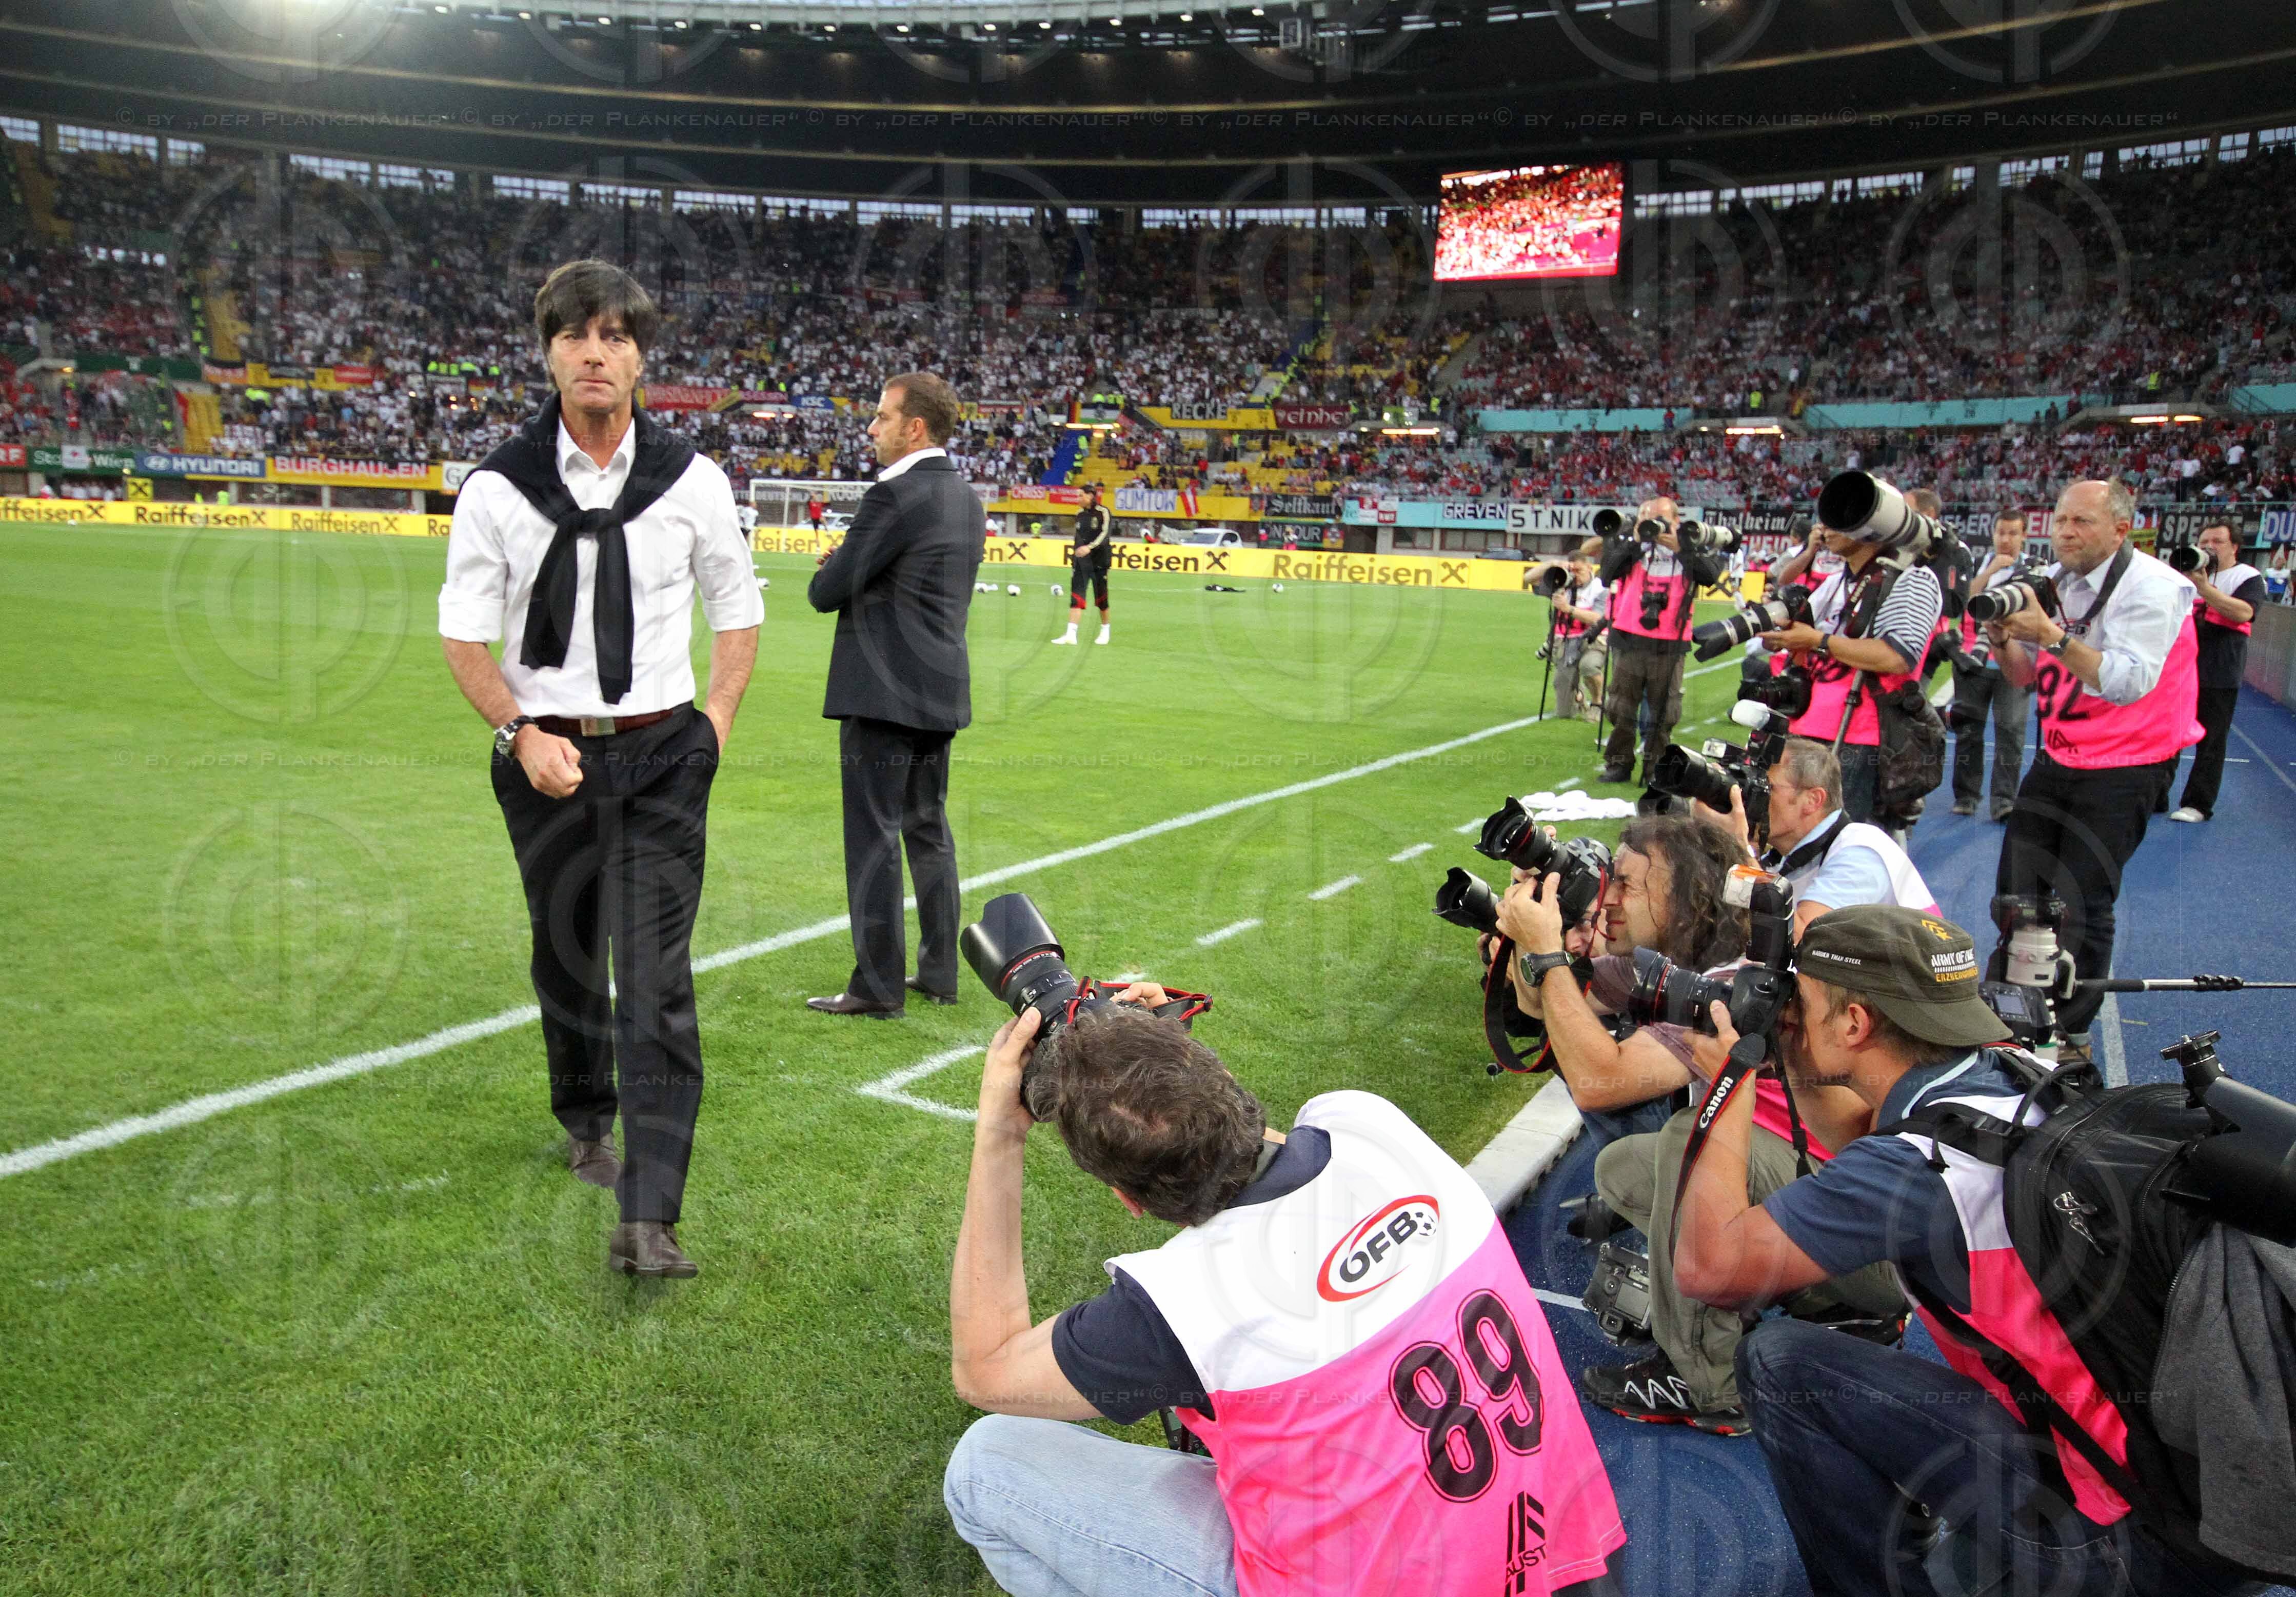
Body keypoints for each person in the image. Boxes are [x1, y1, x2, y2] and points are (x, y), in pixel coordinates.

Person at [940, 991, 1628, 1597]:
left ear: (1128, 1199)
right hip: (1561, 1561)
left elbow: (985, 1366)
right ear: (1226, 1081)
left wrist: (1000, 1130)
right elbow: (1254, 1143)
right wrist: (1157, 1053)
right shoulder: (1370, 1125)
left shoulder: (1183, 1300)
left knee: (983, 1464)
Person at [1677, 904, 2264, 1597]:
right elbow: (1864, 1137)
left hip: (2117, 1547)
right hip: (2205, 1502)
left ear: (1857, 1023)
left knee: (1777, 1360)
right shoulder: (2019, 1071)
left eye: (1801, 1003)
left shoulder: (1916, 1168)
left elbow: (1709, 1268)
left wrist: (1730, 1076)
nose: (1789, 1019)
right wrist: (1792, 1053)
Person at [438, 258, 761, 1279]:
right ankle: (585, 1117)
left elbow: (737, 609)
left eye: (616, 335)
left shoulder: (694, 481)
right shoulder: (497, 487)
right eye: (576, 333)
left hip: (664, 755)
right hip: (544, 759)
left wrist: (713, 722)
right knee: (569, 954)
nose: (595, 351)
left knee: (657, 985)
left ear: (639, 359)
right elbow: (464, 638)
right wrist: (521, 733)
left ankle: (651, 1215)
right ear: (548, 352)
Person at [1499, 811, 1905, 1434]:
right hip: (1835, 1219)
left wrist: (1550, 954)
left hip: (1874, 1247)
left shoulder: (1735, 985)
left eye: (1630, 886)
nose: (1607, 899)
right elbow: (1551, 1011)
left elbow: (1596, 1077)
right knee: (1623, 1167)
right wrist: (1530, 952)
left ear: (1686, 899)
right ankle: (1819, 1305)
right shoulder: (1674, 969)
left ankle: (1705, 1380)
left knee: (1688, 1139)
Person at [1981, 479, 2202, 1067]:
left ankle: (2071, 1041)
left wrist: (2051, 636)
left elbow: (2128, 681)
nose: (2066, 533)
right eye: (2059, 521)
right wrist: (2005, 642)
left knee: (2082, 904)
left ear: (2121, 529)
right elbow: (2025, 679)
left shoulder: (2155, 586)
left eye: (2081, 522)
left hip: (2127, 764)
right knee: (2017, 897)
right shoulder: (2056, 584)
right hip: (2059, 755)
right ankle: (2013, 1016)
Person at [804, 372, 985, 1017]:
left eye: (882, 418)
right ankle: (940, 973)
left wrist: (831, 567)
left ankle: (877, 987)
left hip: (881, 692)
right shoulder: (967, 499)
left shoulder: (895, 495)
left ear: (915, 428)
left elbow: (828, 592)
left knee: (874, 836)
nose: (872, 429)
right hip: (940, 688)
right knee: (928, 830)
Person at [1758, 489, 1945, 828]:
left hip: (1862, 738)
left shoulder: (1913, 579)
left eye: (1840, 520)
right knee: (1790, 835)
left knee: (1843, 845)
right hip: (1806, 730)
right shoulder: (1835, 583)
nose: (1826, 527)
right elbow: (1805, 638)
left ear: (1873, 527)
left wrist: (1818, 640)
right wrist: (1782, 638)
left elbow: (1897, 656)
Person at [1598, 497, 1726, 785]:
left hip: (1670, 642)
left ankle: (1655, 770)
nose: (1651, 523)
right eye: (1645, 516)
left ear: (1676, 521)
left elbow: (1711, 576)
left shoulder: (1692, 544)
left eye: (1658, 518)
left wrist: (1681, 549)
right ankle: (1618, 765)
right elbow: (1607, 574)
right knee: (1621, 707)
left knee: (1664, 712)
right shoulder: (1631, 545)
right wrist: (1634, 543)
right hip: (1629, 637)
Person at [2170, 518, 2263, 823]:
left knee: (2211, 740)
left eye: (2217, 542)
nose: (2209, 547)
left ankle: (2198, 804)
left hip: (2220, 669)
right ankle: (2155, 796)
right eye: (2204, 542)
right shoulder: (2183, 573)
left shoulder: (2248, 576)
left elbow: (2244, 613)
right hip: (2180, 668)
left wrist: (2205, 589)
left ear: (2235, 547)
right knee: (2168, 735)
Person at [1948, 511, 2036, 821]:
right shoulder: (1978, 564)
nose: (2006, 539)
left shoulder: (2036, 567)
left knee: (2011, 733)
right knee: (1968, 731)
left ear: (2024, 536)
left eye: (2013, 533)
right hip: (1973, 660)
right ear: (1993, 533)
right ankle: (1967, 796)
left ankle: (2004, 800)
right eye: (2001, 532)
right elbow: (1962, 599)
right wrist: (1992, 571)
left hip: (2014, 661)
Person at [1546, 537, 1607, 720]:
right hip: (1568, 641)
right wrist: (1554, 565)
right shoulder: (1563, 583)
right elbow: (1529, 578)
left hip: (1594, 640)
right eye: (1572, 571)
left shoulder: (1601, 588)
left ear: (1590, 567)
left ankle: (1598, 702)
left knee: (1589, 666)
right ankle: (1579, 695)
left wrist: (1569, 609)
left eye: (1579, 571)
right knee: (1564, 713)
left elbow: (1598, 618)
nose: (1575, 576)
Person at [1055, 486, 1114, 646]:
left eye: (1081, 496)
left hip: (1100, 561)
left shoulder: (1103, 512)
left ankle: (1105, 630)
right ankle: (1071, 635)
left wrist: (1090, 547)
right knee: (1077, 597)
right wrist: (1075, 557)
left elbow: (1105, 534)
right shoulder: (1079, 515)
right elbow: (1078, 538)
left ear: (1091, 496)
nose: (1078, 499)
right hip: (1082, 562)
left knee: (1101, 599)